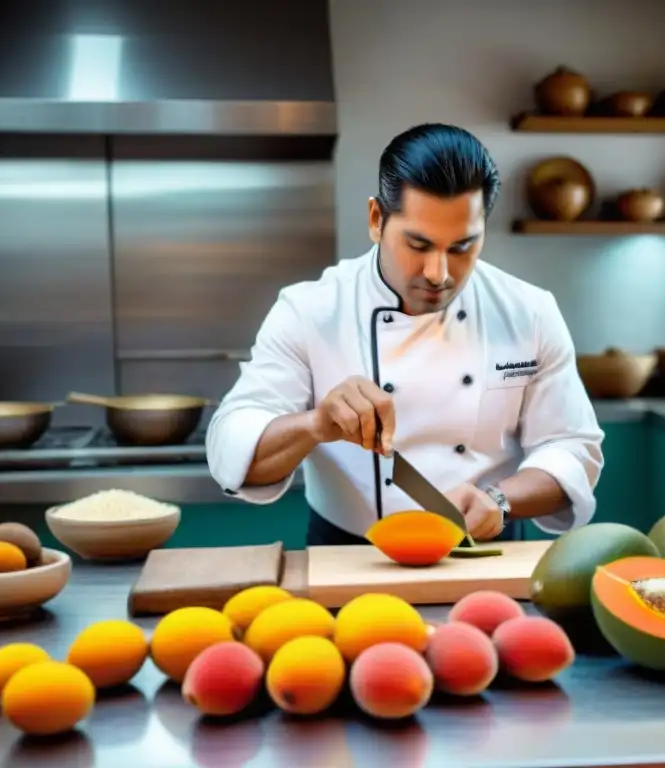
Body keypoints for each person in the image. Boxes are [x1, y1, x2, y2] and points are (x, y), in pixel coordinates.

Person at [205, 123, 605, 547]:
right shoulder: (310, 311)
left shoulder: (530, 311)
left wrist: (499, 499)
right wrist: (316, 424)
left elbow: (573, 449)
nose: (439, 273)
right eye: (418, 245)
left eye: (461, 247)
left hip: (492, 550)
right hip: (352, 556)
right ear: (377, 220)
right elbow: (232, 442)